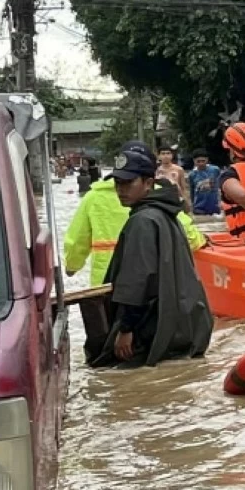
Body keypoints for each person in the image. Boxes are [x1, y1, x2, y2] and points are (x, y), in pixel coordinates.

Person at [90, 144, 213, 367]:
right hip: (183, 329)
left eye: (128, 183)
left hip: (152, 332)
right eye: (118, 183)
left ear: (148, 183)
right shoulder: (166, 213)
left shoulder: (142, 221)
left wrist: (126, 329)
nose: (121, 190)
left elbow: (138, 281)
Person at [65, 142, 206, 287]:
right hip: (148, 285)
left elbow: (77, 240)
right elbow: (191, 238)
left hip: (104, 283)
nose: (121, 190)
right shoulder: (160, 197)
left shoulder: (93, 197)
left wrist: (72, 266)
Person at [156, 145, 191, 213]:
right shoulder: (156, 171)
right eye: (163, 153)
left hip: (177, 199)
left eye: (168, 153)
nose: (166, 156)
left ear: (172, 155)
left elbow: (183, 188)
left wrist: (186, 202)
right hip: (162, 200)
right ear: (159, 156)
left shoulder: (179, 169)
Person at [186, 149, 221, 216]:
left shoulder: (215, 170)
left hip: (214, 206)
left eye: (203, 161)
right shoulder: (192, 174)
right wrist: (192, 204)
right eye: (198, 161)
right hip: (199, 207)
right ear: (194, 161)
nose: (201, 163)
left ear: (207, 160)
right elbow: (192, 191)